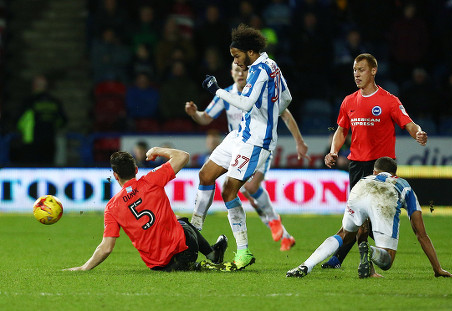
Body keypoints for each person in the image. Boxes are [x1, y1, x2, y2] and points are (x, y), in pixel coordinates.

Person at [195, 23, 293, 269]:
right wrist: (271, 114)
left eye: (237, 56)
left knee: (229, 190)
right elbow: (287, 97)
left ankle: (243, 251)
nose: (236, 62)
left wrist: (217, 90)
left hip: (256, 141)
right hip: (240, 134)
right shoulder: (272, 66)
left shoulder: (260, 70)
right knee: (205, 175)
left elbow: (246, 103)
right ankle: (195, 230)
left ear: (250, 52)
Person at [185, 62, 309, 251]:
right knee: (237, 191)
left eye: (243, 70)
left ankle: (272, 223)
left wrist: (299, 142)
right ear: (231, 73)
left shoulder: (260, 91)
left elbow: (285, 114)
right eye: (236, 70)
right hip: (235, 147)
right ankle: (283, 234)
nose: (240, 74)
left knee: (249, 187)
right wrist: (194, 114)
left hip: (258, 146)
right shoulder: (226, 95)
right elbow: (205, 118)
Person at [322, 53, 428, 269]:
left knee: (365, 221)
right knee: (357, 218)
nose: (356, 74)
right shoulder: (349, 101)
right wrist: (334, 151)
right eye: (354, 70)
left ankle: (346, 260)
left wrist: (418, 133)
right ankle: (354, 258)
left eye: (361, 69)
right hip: (357, 165)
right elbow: (341, 130)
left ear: (373, 71)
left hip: (380, 168)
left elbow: (408, 123)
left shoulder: (389, 101)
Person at [64, 147, 231, 272]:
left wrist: (84, 268)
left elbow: (106, 247)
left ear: (115, 175)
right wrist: (157, 150)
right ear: (136, 170)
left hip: (159, 266)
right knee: (180, 220)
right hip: (185, 250)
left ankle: (197, 264)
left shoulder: (112, 207)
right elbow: (183, 156)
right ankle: (211, 255)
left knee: (176, 218)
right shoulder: (151, 180)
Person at [286, 157, 452, 279]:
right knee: (387, 261)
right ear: (394, 173)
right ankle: (371, 251)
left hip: (360, 188)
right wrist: (437, 268)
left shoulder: (368, 177)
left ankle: (306, 265)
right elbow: (421, 234)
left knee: (345, 234)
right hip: (385, 196)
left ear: (375, 171)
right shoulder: (403, 184)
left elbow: (362, 228)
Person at [14, 75, 67, 166]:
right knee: (46, 170)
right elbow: (63, 121)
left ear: (34, 86)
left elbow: (18, 121)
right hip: (49, 142)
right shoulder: (55, 102)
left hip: (31, 144)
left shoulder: (29, 101)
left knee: (30, 172)